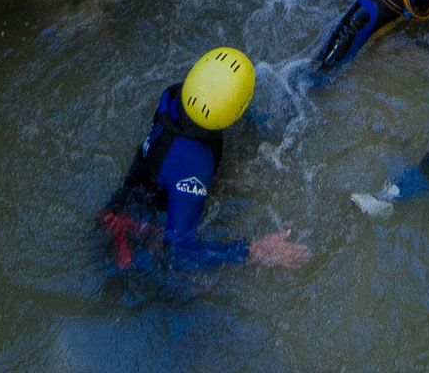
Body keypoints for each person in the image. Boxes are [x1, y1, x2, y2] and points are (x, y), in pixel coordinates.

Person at [99, 47, 310, 269]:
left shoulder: (174, 97)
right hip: (140, 228)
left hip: (122, 202)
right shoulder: (195, 166)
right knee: (197, 278)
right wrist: (255, 250)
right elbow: (179, 253)